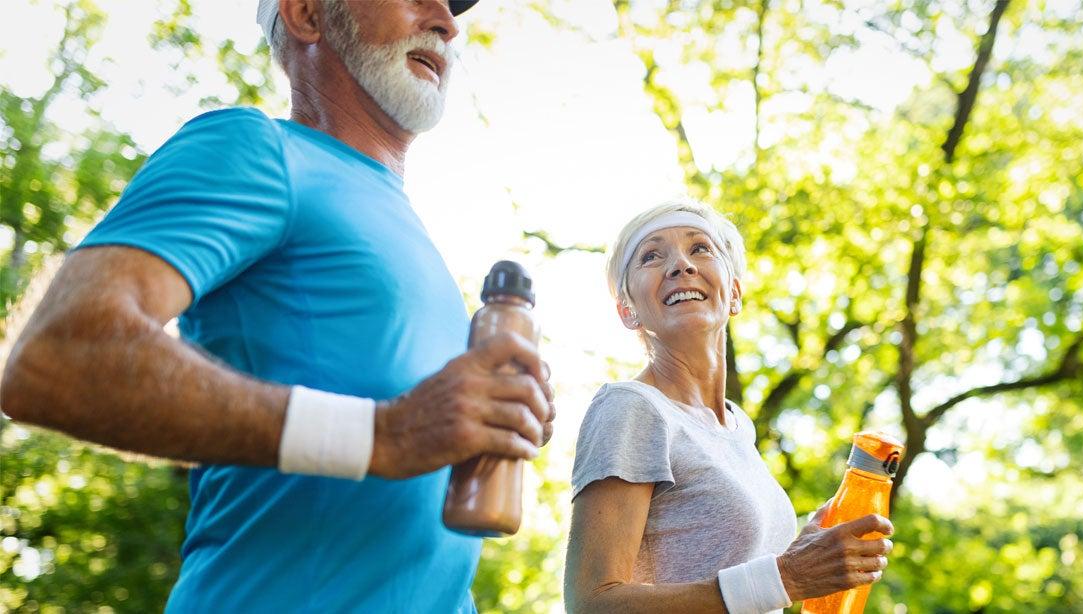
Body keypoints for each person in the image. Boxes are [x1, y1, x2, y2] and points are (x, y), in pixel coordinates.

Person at [0, 1, 554, 612]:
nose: (446, 23)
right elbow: (58, 357)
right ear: (308, 14)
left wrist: (498, 417)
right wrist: (381, 435)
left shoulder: (418, 241)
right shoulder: (258, 148)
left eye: (450, 7)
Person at [564, 201, 894, 614]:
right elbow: (592, 603)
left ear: (734, 292)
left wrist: (803, 559)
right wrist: (788, 575)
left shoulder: (737, 427)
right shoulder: (631, 408)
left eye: (700, 248)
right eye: (651, 255)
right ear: (627, 310)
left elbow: (743, 586)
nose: (680, 265)